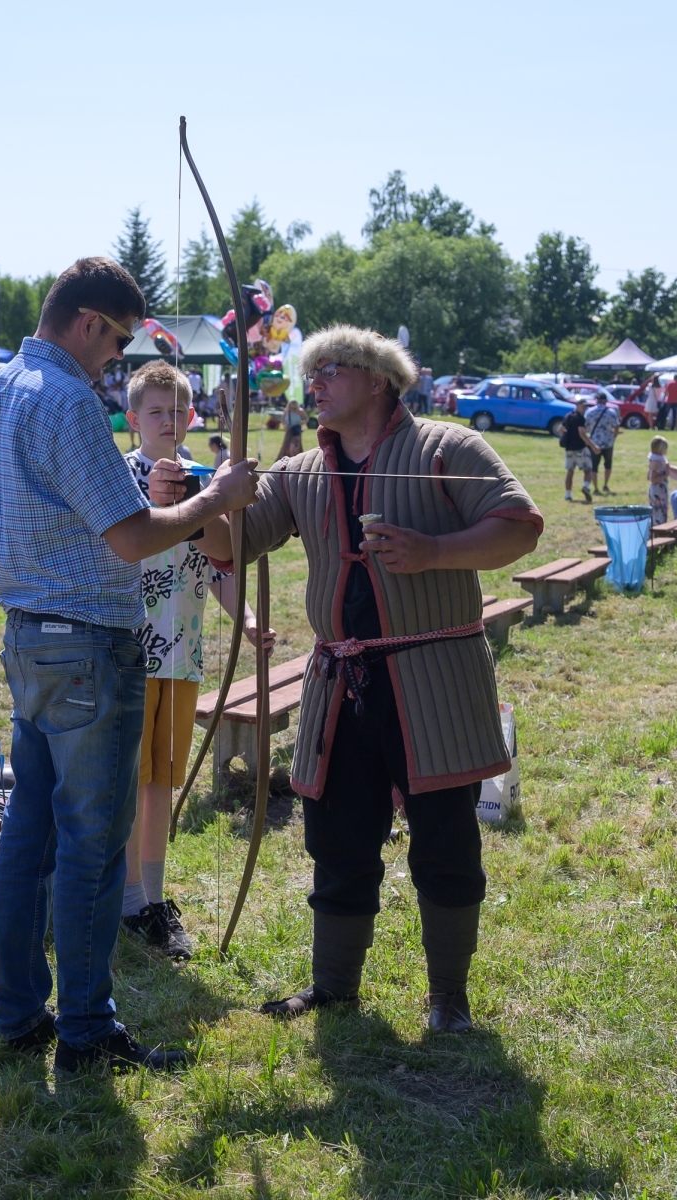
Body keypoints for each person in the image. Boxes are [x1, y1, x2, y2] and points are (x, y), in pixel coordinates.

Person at [0, 257, 257, 1074]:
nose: (116, 361)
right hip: (90, 644)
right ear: (88, 322)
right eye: (118, 342)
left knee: (29, 837)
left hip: (28, 637)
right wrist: (211, 501)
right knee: (91, 847)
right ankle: (86, 1032)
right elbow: (129, 538)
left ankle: (16, 1015)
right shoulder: (67, 399)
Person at [223, 326, 541, 1032]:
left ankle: (448, 997)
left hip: (435, 678)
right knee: (336, 838)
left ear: (376, 379)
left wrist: (435, 551)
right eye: (311, 372)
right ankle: (334, 987)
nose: (314, 383)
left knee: (445, 840)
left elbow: (520, 526)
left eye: (330, 369)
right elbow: (233, 545)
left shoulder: (446, 448)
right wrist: (208, 500)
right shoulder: (302, 471)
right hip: (339, 682)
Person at [120, 362, 271, 960]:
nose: (168, 421)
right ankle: (127, 897)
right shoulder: (119, 477)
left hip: (181, 656)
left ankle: (152, 897)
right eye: (155, 411)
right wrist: (165, 502)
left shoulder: (207, 484)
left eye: (177, 411)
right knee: (130, 780)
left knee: (162, 779)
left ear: (191, 417)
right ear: (133, 419)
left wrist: (247, 619)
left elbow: (222, 565)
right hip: (129, 655)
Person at [560, 395, 595, 503]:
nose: (584, 408)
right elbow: (582, 434)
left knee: (570, 472)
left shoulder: (568, 416)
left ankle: (568, 495)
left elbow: (560, 429)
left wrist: (567, 437)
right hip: (580, 448)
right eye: (583, 406)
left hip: (569, 448)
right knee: (588, 470)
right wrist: (593, 446)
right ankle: (585, 486)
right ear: (578, 405)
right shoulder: (580, 418)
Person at [586, 390, 621, 494]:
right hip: (608, 442)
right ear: (606, 401)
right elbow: (616, 427)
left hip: (594, 442)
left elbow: (585, 426)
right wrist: (613, 437)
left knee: (594, 466)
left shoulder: (590, 411)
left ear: (596, 400)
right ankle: (605, 484)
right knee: (608, 464)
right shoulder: (612, 412)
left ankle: (595, 487)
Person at [647, 435, 671, 525]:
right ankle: (658, 529)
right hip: (658, 490)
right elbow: (652, 478)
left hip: (660, 489)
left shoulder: (656, 460)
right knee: (658, 513)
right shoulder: (656, 462)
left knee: (661, 510)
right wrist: (665, 475)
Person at [277, 393, 305, 460]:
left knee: (295, 446)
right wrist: (285, 424)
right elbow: (282, 419)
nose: (292, 409)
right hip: (289, 430)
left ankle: (297, 458)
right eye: (291, 407)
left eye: (294, 407)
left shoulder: (300, 411)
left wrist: (302, 422)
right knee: (287, 445)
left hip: (296, 430)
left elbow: (306, 418)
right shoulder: (287, 411)